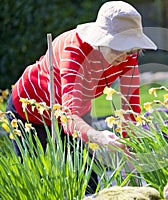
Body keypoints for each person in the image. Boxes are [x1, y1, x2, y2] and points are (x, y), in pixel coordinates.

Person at [6, 1, 157, 194]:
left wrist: (131, 150)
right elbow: (69, 117)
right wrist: (100, 137)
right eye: (118, 48)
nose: (125, 56)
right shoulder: (74, 52)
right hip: (29, 114)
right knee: (39, 183)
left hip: (74, 111)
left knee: (88, 178)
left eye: (131, 49)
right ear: (101, 40)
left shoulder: (127, 56)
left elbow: (129, 107)